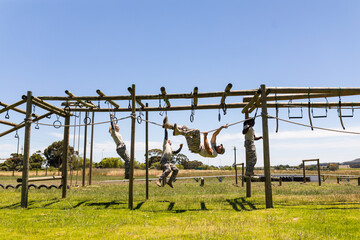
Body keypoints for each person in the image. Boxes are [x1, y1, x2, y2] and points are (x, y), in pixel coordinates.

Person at [162, 116, 227, 158]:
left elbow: (207, 148)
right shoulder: (214, 146)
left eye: (220, 147)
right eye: (220, 146)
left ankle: (178, 132)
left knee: (197, 132)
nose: (219, 146)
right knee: (185, 128)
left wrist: (205, 137)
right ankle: (168, 126)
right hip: (193, 146)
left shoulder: (215, 154)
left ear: (219, 152)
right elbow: (214, 135)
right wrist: (221, 127)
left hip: (196, 148)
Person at [109, 114, 130, 179]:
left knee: (129, 160)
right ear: (115, 128)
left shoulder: (117, 133)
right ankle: (127, 175)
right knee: (128, 160)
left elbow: (114, 125)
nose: (119, 128)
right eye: (118, 127)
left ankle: (128, 174)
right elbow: (112, 126)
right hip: (120, 148)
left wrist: (114, 121)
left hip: (123, 147)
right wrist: (111, 118)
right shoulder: (113, 133)